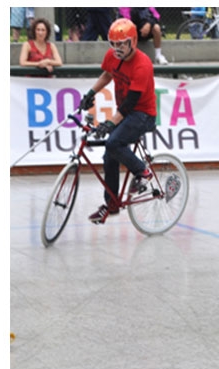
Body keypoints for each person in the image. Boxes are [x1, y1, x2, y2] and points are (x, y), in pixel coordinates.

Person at [78, 18, 157, 224]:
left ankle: (142, 171)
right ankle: (111, 204)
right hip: (127, 112)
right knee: (109, 155)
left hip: (143, 114)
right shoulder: (112, 56)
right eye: (113, 43)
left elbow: (130, 103)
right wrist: (91, 93)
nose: (117, 48)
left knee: (114, 143)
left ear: (133, 41)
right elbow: (107, 74)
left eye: (121, 43)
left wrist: (111, 122)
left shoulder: (143, 64)